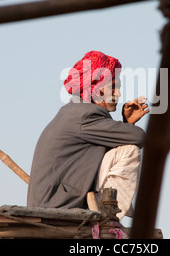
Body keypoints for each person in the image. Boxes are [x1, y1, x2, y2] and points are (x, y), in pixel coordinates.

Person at [27, 50, 149, 219]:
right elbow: (140, 137)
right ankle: (108, 214)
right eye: (114, 87)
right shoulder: (85, 115)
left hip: (55, 200)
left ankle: (106, 209)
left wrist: (126, 124)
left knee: (120, 147)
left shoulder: (75, 113)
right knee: (129, 150)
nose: (118, 94)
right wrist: (128, 127)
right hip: (59, 205)